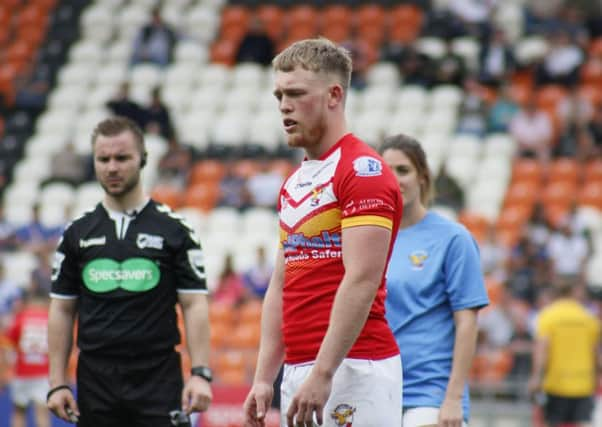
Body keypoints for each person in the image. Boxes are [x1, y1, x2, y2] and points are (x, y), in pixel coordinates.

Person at [243, 38, 403, 427]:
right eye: (279, 94)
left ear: (334, 95)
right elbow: (281, 284)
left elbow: (362, 279)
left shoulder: (363, 172)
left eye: (296, 93)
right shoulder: (295, 182)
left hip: (353, 367)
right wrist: (264, 378)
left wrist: (324, 372)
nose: (284, 105)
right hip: (301, 369)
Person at [46, 117, 212, 426]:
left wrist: (201, 373)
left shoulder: (176, 229)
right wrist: (57, 382)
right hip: (96, 381)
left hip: (158, 378)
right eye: (103, 159)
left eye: (122, 158)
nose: (112, 167)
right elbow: (61, 309)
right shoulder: (75, 233)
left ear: (143, 159)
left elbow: (194, 303)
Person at [379, 134, 489, 427]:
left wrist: (453, 398)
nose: (394, 179)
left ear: (423, 178)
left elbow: (467, 322)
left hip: (432, 396)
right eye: (386, 171)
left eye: (403, 170)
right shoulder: (369, 239)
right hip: (377, 392)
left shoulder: (453, 238)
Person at [528, 276, 601, 427]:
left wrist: (536, 377)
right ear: (574, 292)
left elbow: (542, 350)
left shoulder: (548, 316)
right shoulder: (588, 318)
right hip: (583, 383)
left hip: (556, 383)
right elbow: (596, 353)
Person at [5, 283, 51, 427]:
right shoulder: (50, 318)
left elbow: (7, 344)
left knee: (19, 411)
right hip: (44, 372)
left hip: (22, 372)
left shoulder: (21, 318)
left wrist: (8, 367)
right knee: (42, 412)